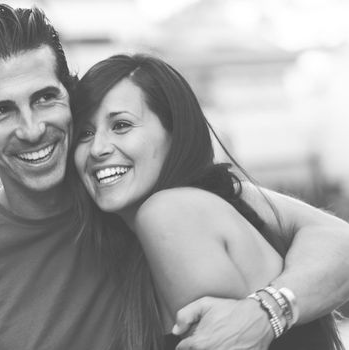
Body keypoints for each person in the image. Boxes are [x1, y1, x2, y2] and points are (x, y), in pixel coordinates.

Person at [0, 4, 349, 350]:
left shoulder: (151, 201)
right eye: (2, 110)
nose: (30, 129)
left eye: (45, 98)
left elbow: (337, 241)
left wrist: (267, 312)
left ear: (71, 94)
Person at [71, 53, 348, 349]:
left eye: (122, 125)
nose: (98, 148)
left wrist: (271, 310)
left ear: (174, 133)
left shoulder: (169, 213)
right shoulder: (228, 200)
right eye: (85, 133)